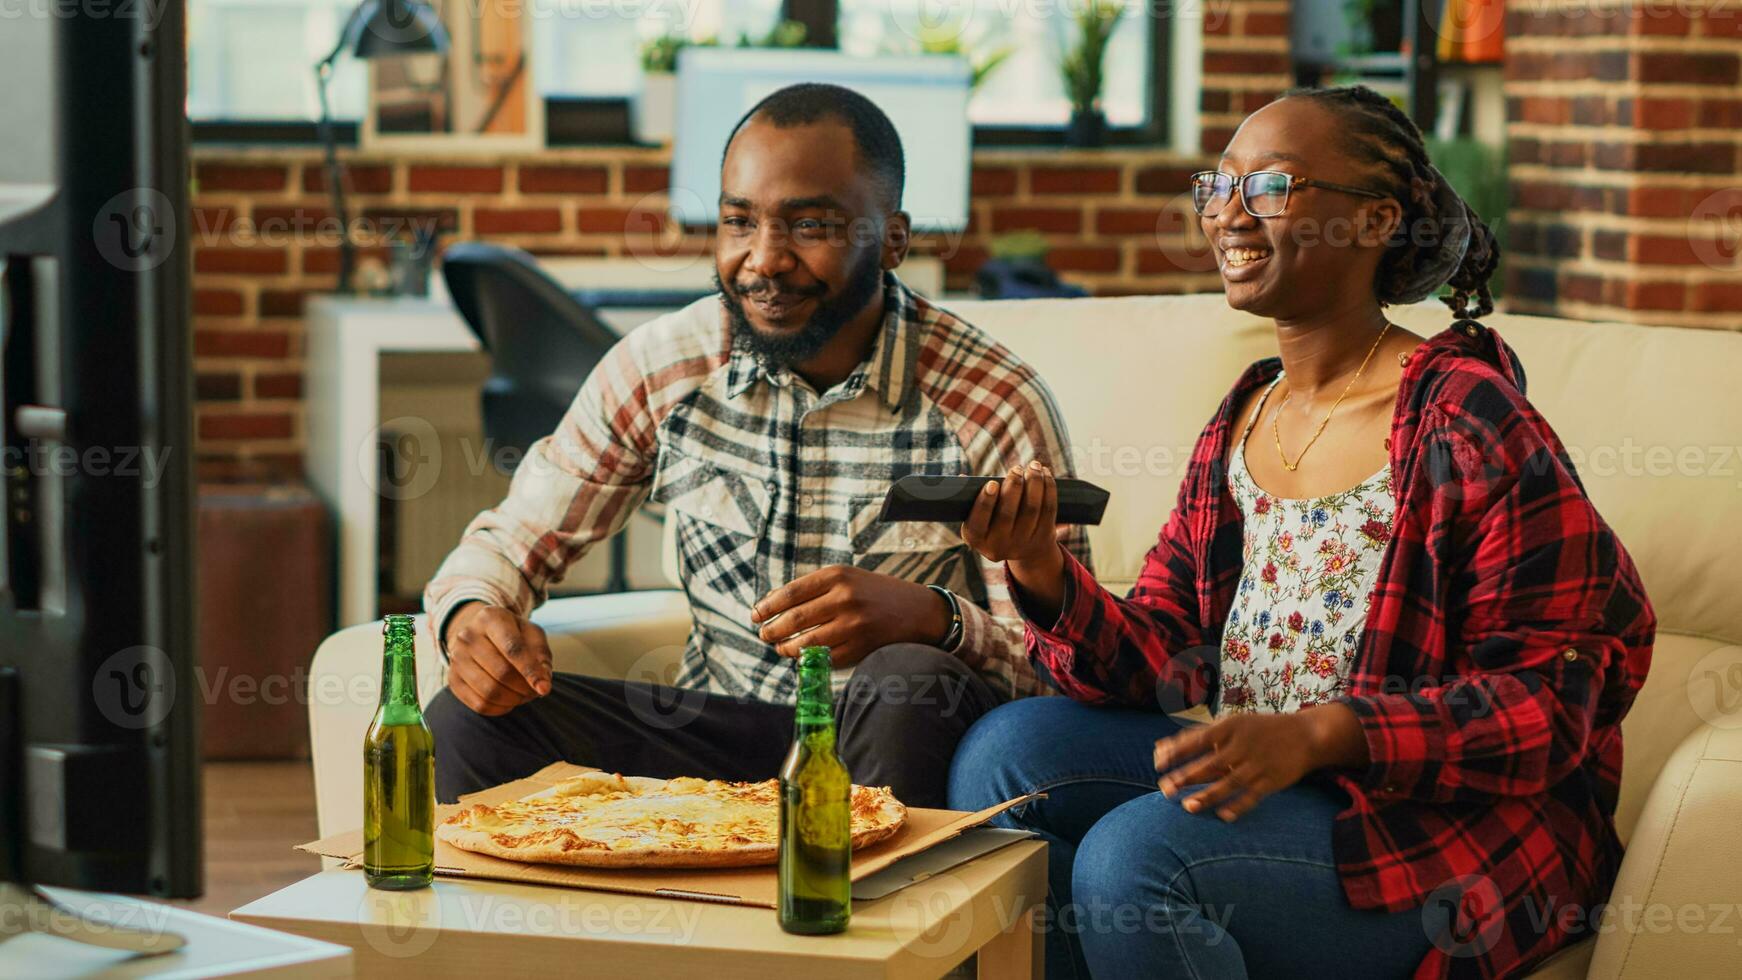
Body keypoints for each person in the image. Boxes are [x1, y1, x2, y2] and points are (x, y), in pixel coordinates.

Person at [948, 85, 1655, 979]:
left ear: (1373, 221)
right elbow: (1164, 654)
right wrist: (1039, 563)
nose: (1229, 214)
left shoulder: (1465, 418)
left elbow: (1570, 685)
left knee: (1135, 856)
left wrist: (1329, 734)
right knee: (1005, 755)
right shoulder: (1249, 411)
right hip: (1277, 788)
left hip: (1425, 826)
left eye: (1272, 187)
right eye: (1217, 185)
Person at [421, 83, 1090, 810]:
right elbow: (513, 540)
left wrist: (935, 618)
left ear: (893, 238)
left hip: (889, 743)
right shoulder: (663, 366)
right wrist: (472, 617)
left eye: (810, 227)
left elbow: (1066, 672)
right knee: (465, 723)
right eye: (739, 222)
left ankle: (840, 907)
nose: (763, 260)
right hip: (714, 739)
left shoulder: (990, 403)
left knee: (910, 681)